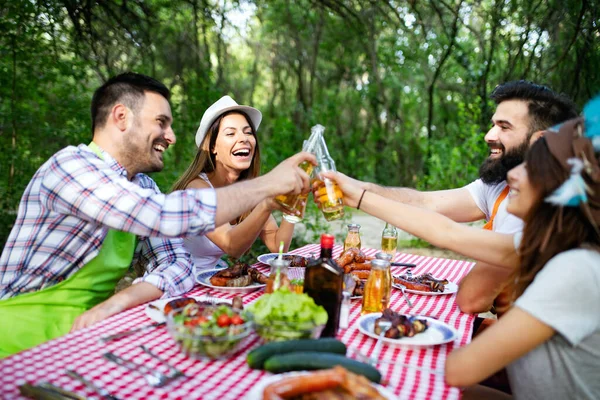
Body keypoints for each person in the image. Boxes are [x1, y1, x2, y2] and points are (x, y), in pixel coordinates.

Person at [0, 73, 315, 357]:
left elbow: (178, 265)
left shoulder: (144, 186)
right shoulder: (70, 167)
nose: (172, 135)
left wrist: (118, 301)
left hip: (86, 333)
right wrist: (265, 187)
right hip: (17, 339)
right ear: (121, 117)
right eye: (161, 122)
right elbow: (164, 216)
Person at [319, 97, 600, 399]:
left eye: (531, 167)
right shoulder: (548, 243)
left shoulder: (577, 269)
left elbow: (459, 370)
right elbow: (445, 231)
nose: (513, 174)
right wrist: (356, 196)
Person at [328, 81, 578, 314]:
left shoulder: (542, 209)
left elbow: (472, 297)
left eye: (504, 126)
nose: (488, 135)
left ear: (542, 142)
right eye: (493, 124)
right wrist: (357, 188)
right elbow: (425, 203)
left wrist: (360, 198)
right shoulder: (503, 183)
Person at [171, 96, 296, 273]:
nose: (243, 138)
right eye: (231, 133)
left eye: (248, 132)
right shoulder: (197, 189)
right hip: (175, 283)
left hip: (209, 282)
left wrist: (294, 207)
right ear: (212, 146)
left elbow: (277, 247)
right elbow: (232, 246)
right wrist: (266, 204)